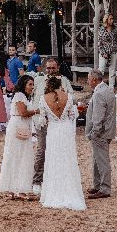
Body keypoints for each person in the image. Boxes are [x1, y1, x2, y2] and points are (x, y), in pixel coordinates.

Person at [40, 75, 86, 211]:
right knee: (68, 159)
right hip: (65, 129)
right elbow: (73, 116)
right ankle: (70, 191)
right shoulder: (68, 97)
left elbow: (42, 121)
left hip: (53, 131)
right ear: (60, 85)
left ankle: (54, 192)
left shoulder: (44, 99)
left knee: (54, 160)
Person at [32, 57, 73, 194]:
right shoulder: (38, 81)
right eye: (48, 68)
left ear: (58, 67)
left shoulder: (65, 81)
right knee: (42, 149)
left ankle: (57, 180)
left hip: (59, 122)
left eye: (53, 68)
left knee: (59, 151)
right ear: (45, 68)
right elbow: (33, 98)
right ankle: (37, 181)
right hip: (41, 121)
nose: (50, 70)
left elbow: (71, 100)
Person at [0, 75, 37, 200]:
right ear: (24, 84)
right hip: (18, 126)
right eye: (30, 84)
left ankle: (17, 188)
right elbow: (23, 112)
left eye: (33, 84)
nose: (32, 87)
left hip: (22, 125)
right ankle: (16, 189)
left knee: (21, 157)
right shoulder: (20, 95)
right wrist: (37, 111)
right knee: (17, 156)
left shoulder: (24, 96)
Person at [85, 69, 117, 200]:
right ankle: (97, 184)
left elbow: (98, 116)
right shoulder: (108, 89)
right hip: (108, 130)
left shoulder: (99, 93)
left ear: (93, 79)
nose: (87, 81)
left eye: (88, 79)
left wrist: (94, 132)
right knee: (97, 159)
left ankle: (104, 188)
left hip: (101, 132)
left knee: (102, 160)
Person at [97, 13, 117, 88]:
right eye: (110, 19)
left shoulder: (116, 28)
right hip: (104, 53)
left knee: (112, 71)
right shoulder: (101, 29)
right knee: (101, 71)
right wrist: (103, 53)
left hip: (114, 52)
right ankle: (98, 87)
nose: (112, 20)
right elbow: (99, 43)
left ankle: (111, 89)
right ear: (106, 20)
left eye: (112, 18)